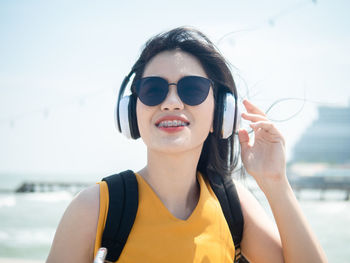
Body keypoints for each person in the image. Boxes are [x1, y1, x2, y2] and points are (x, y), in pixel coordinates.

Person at [46, 26, 327, 263]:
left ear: (221, 112)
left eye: (192, 89)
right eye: (153, 89)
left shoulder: (234, 206)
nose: (171, 103)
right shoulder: (94, 208)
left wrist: (276, 182)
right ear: (131, 110)